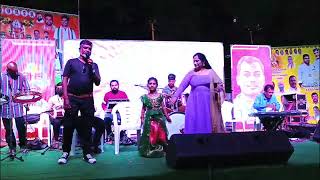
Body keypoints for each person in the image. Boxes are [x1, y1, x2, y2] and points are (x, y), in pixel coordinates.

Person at [57, 40, 100, 165]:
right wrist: (65, 98)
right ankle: (65, 152)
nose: (87, 50)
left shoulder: (94, 65)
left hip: (87, 99)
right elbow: (64, 80)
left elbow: (97, 81)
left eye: (89, 48)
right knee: (69, 125)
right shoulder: (71, 62)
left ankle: (87, 153)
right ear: (80, 49)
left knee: (87, 126)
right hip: (72, 97)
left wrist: (92, 68)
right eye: (85, 48)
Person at [171, 52, 225, 134]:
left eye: (197, 61)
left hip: (207, 103)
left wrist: (219, 96)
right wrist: (175, 97)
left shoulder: (210, 72)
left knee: (206, 120)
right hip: (194, 102)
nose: (195, 63)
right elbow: (182, 86)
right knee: (193, 120)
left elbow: (219, 86)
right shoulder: (191, 73)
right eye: (194, 61)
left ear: (203, 62)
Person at [1, 61, 30, 156]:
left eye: (16, 70)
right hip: (6, 106)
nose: (16, 73)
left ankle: (23, 146)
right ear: (8, 70)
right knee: (8, 128)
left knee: (21, 127)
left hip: (18, 106)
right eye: (13, 71)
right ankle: (12, 147)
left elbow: (27, 90)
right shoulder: (2, 76)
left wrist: (25, 99)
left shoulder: (21, 76)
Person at [139, 77, 171, 158]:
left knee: (160, 132)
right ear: (147, 85)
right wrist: (142, 117)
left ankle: (161, 149)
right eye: (150, 83)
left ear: (156, 85)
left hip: (159, 117)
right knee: (150, 133)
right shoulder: (145, 97)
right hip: (149, 118)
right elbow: (143, 108)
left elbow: (163, 107)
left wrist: (167, 116)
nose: (152, 85)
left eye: (154, 84)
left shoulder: (160, 96)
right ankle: (149, 150)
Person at [233, 56, 265, 130]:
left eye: (257, 74)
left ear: (264, 78)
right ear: (238, 79)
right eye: (246, 75)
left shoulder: (272, 107)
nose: (252, 79)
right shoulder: (231, 108)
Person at [46, 82, 64, 149]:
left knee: (70, 121)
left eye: (61, 88)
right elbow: (48, 110)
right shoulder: (52, 99)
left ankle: (67, 141)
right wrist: (53, 111)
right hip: (55, 117)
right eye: (57, 88)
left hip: (65, 116)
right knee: (57, 122)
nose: (59, 89)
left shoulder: (68, 97)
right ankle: (56, 140)